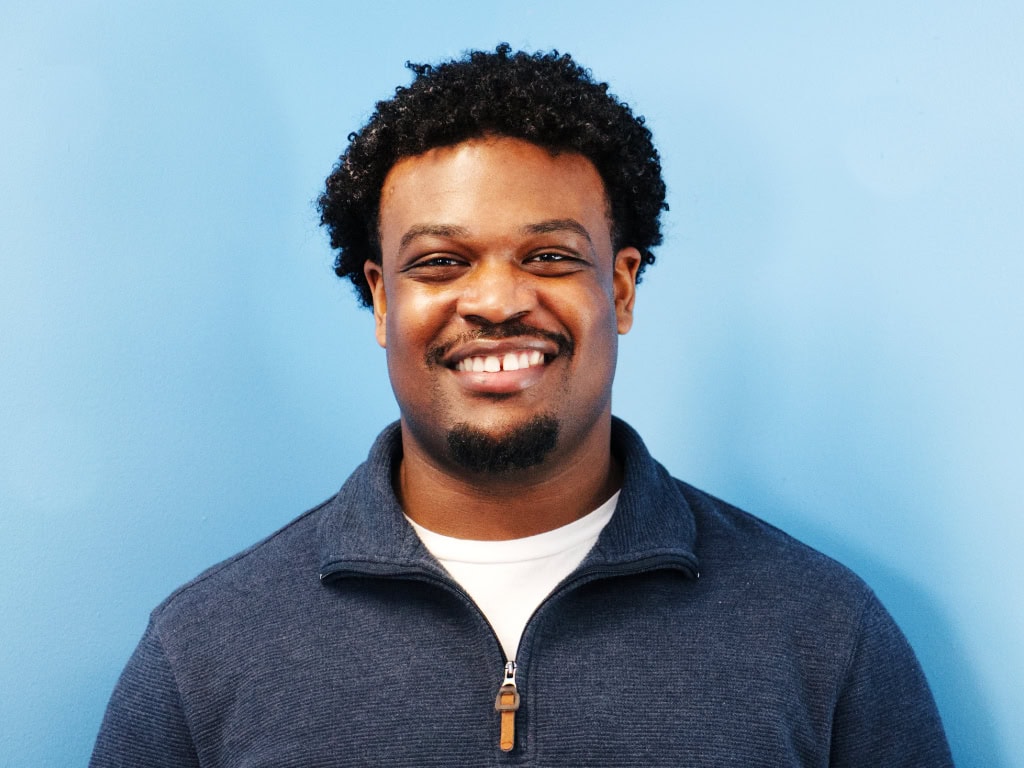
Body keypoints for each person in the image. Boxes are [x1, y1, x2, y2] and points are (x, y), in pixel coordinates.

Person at [90, 45, 953, 767]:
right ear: (382, 298)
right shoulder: (202, 653)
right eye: (439, 263)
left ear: (619, 287)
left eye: (548, 257)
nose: (497, 300)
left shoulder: (822, 634)